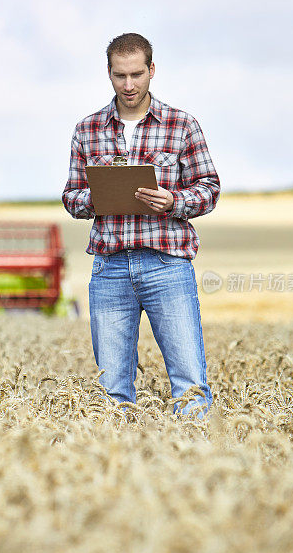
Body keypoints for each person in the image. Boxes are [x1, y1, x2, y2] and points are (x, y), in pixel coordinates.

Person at [62, 33, 220, 416]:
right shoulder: (87, 129)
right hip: (110, 267)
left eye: (136, 74)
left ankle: (198, 465)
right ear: (109, 74)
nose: (128, 85)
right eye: (120, 76)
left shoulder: (182, 125)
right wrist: (94, 200)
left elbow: (210, 188)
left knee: (189, 385)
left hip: (167, 265)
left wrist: (174, 201)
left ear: (152, 70)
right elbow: (71, 195)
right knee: (112, 391)